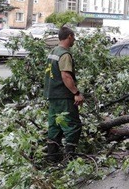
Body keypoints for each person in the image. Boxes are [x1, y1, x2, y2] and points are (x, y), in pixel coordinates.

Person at [44, 27, 84, 163]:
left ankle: (52, 157)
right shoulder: (64, 54)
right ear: (69, 37)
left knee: (55, 125)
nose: (74, 40)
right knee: (73, 126)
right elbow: (66, 76)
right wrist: (76, 93)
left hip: (52, 95)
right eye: (74, 37)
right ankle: (70, 159)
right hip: (63, 96)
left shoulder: (53, 51)